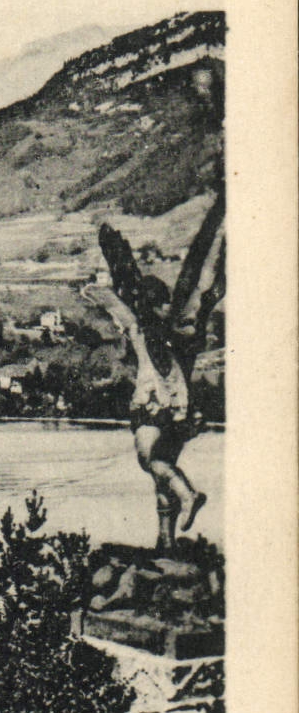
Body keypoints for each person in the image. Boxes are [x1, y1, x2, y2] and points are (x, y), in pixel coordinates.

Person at [91, 195, 223, 551]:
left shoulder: (141, 330)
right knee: (162, 470)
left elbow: (116, 304)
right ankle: (165, 542)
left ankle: (189, 493)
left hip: (151, 404)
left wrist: (96, 291)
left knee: (150, 460)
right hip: (179, 410)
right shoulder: (181, 337)